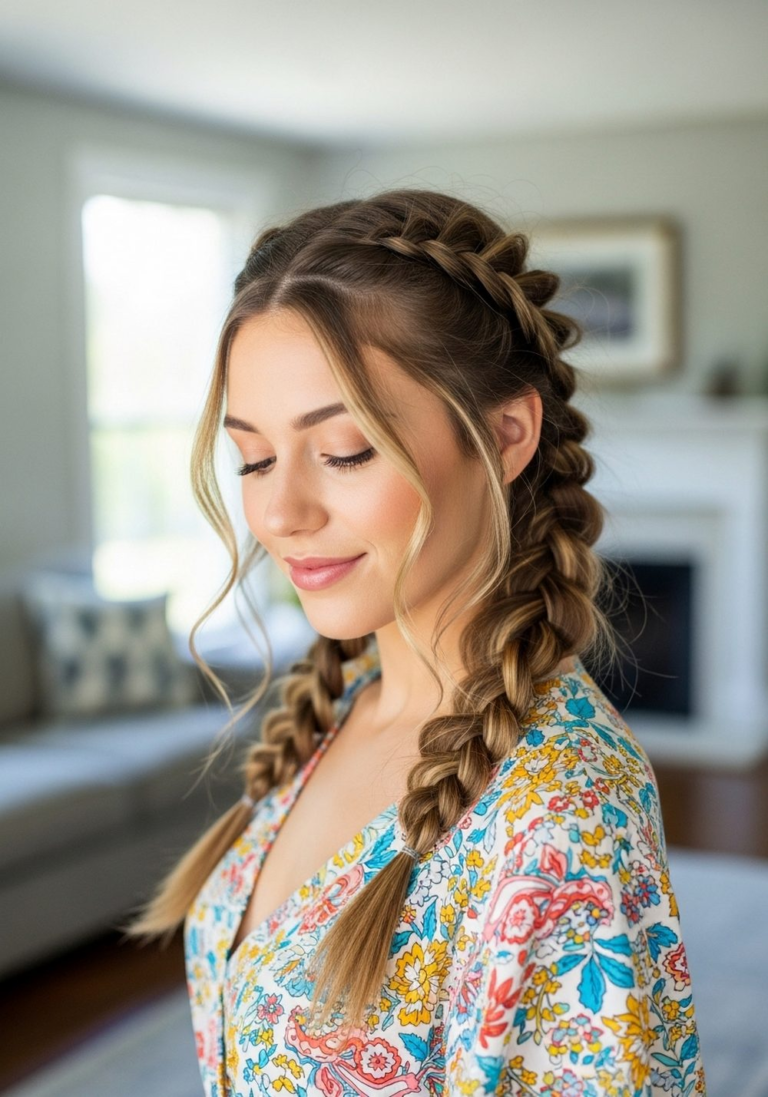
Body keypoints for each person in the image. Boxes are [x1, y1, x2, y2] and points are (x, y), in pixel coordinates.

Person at [125, 188, 707, 1095]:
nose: (279, 513)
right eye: (254, 457)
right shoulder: (337, 709)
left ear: (505, 435)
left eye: (345, 449)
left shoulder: (563, 815)